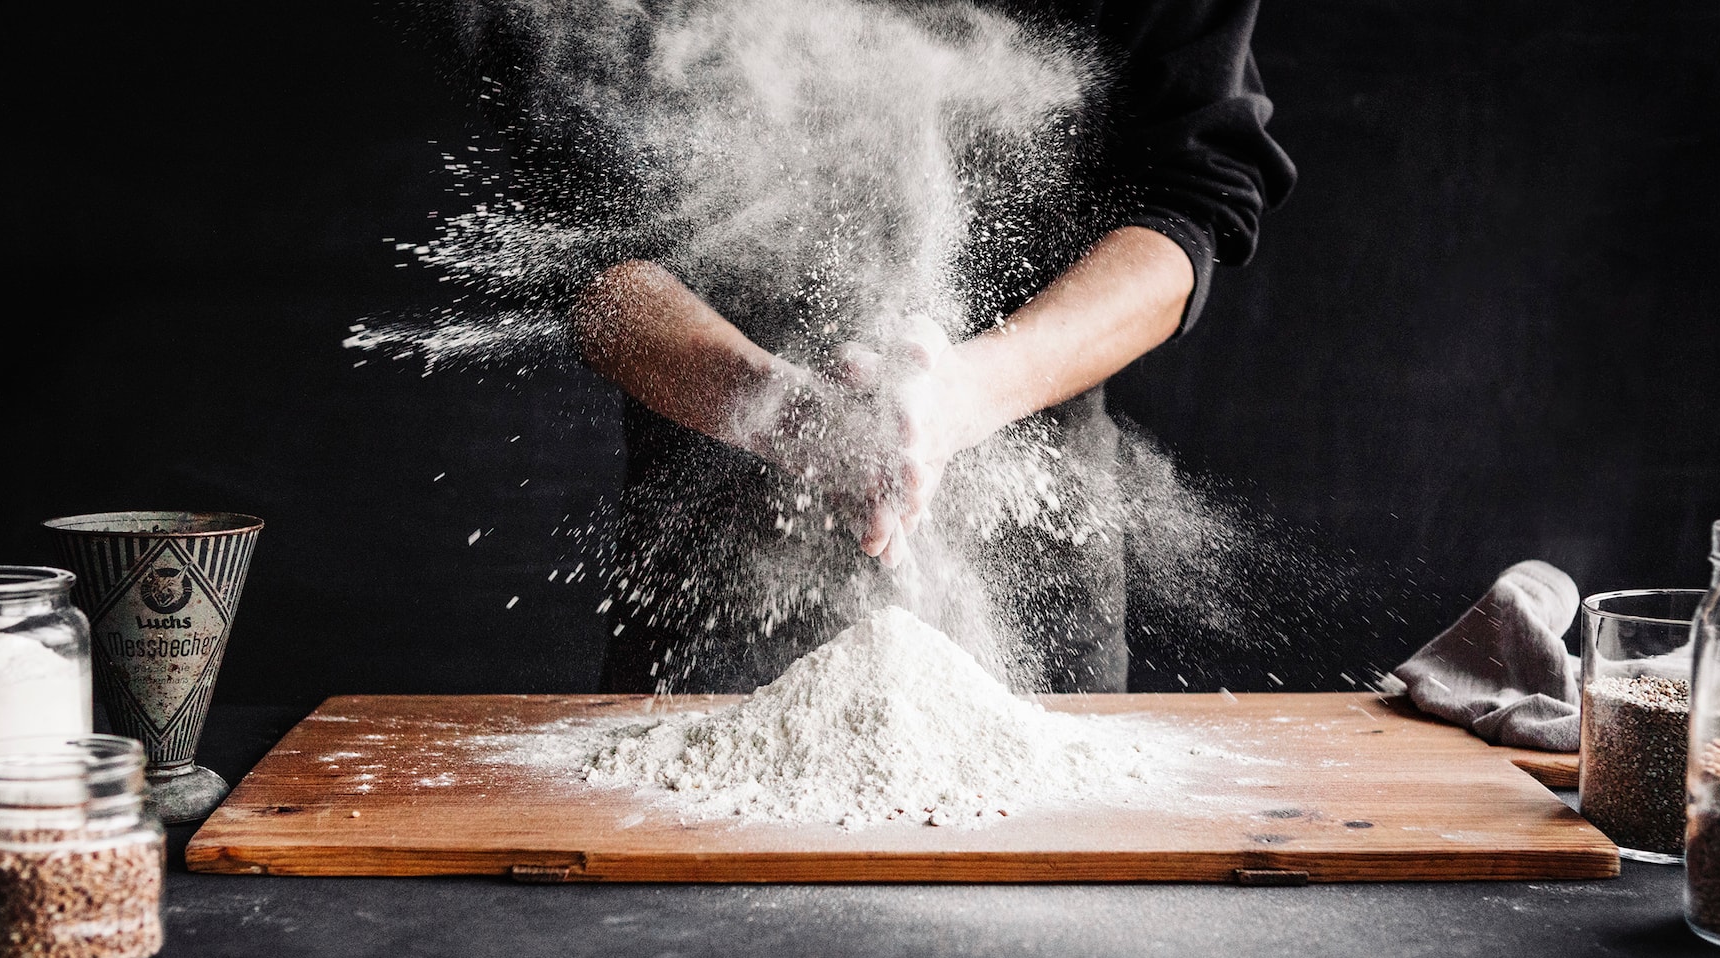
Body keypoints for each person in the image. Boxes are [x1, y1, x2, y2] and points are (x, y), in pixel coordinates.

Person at [461, 0, 1294, 693]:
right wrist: (777, 410)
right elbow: (578, 242)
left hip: (1037, 544)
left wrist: (967, 393)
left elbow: (1192, 195)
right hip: (712, 549)